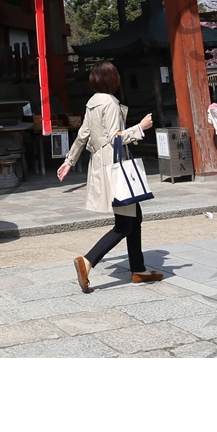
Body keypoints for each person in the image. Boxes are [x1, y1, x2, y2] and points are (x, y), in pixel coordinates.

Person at [59, 61, 160, 291]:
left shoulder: (92, 104)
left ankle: (138, 268)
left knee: (134, 218)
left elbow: (82, 135)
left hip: (101, 164)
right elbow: (117, 138)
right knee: (124, 224)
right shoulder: (111, 103)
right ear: (112, 80)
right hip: (115, 165)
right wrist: (141, 127)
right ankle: (87, 261)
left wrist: (68, 161)